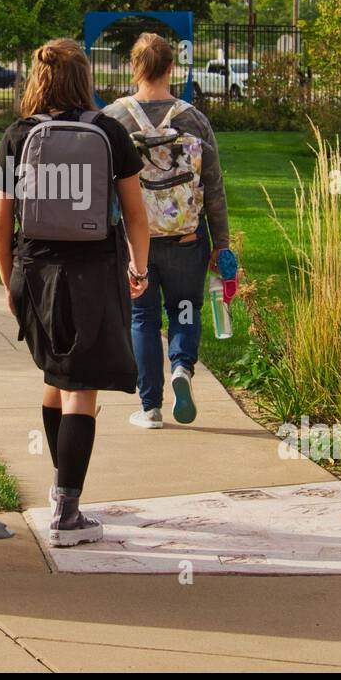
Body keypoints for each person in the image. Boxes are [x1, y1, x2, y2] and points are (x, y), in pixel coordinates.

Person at [0, 38, 150, 547]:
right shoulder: (110, 132)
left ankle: (64, 490)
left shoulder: (15, 136)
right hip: (94, 271)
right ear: (84, 78)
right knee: (82, 385)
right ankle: (67, 513)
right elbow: (135, 213)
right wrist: (139, 268)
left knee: (55, 376)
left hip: (34, 270)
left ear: (38, 80)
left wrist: (9, 282)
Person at [103, 32, 231, 429]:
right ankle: (182, 369)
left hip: (134, 240)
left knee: (142, 318)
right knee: (185, 310)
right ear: (171, 68)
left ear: (133, 68)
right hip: (187, 237)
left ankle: (150, 408)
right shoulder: (193, 118)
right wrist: (221, 243)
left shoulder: (113, 118)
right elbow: (213, 185)